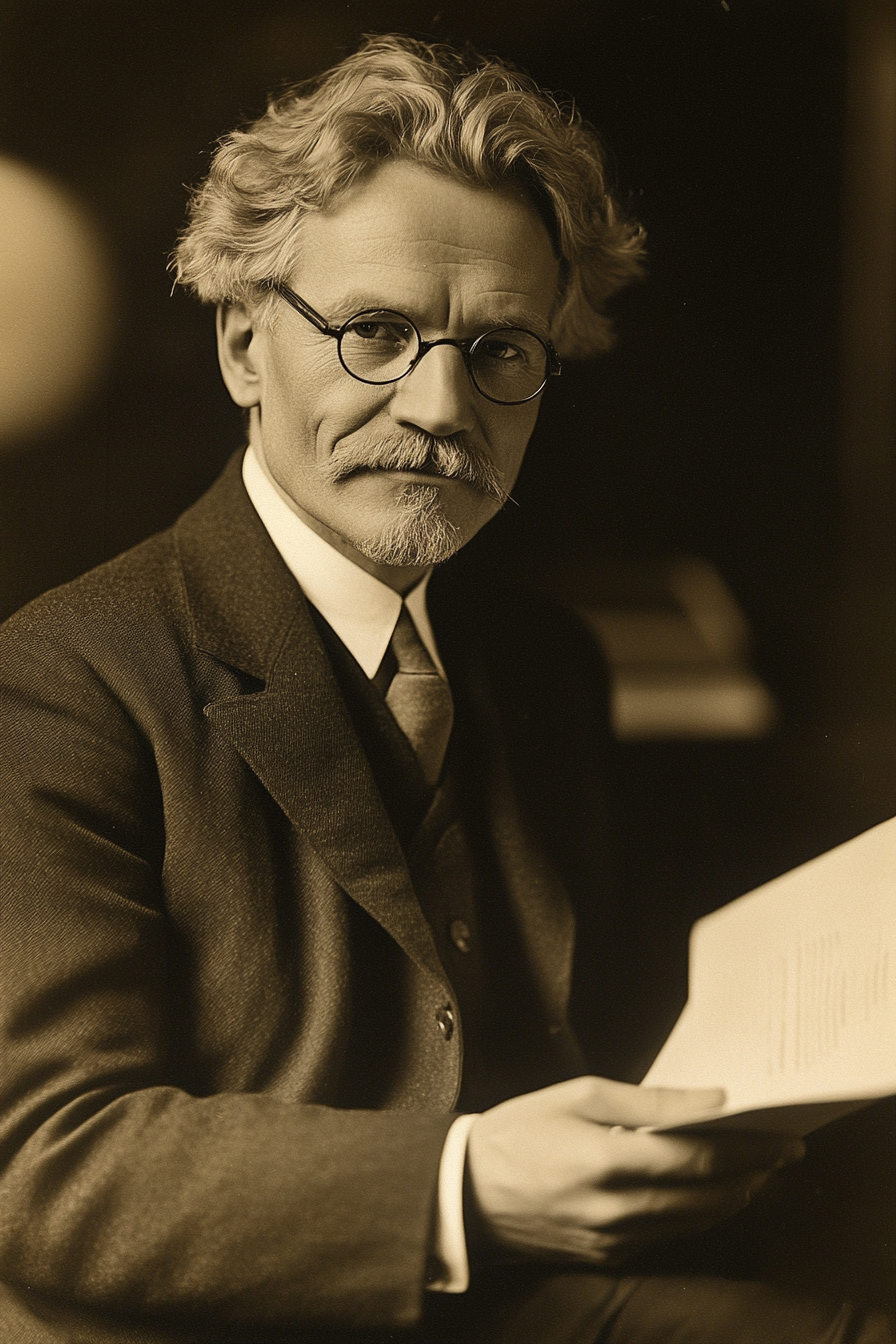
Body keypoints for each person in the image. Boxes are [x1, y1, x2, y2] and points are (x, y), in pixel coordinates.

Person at [0, 34, 891, 1344]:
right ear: (246, 345)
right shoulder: (56, 682)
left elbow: (548, 1045)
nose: (439, 405)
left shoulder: (544, 662)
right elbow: (45, 1165)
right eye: (376, 332)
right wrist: (466, 1187)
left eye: (502, 350)